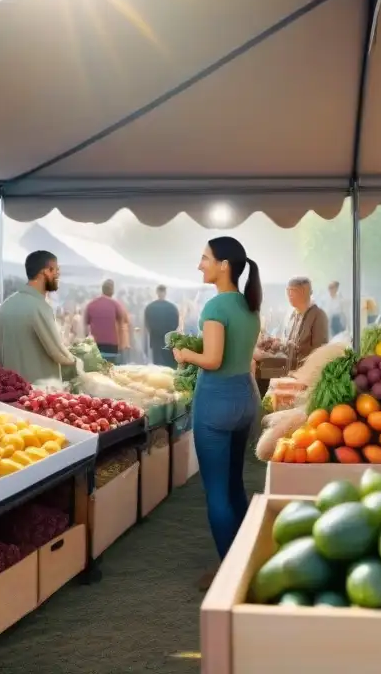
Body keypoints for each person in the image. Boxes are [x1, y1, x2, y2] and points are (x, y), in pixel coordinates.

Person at [172, 236, 261, 581]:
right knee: (235, 484)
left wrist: (184, 355)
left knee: (217, 493)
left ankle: (230, 572)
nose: (200, 264)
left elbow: (212, 359)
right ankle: (245, 557)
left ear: (224, 265)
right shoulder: (248, 306)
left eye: (205, 258)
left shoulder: (215, 307)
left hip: (216, 403)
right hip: (244, 400)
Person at [0, 251, 79, 384]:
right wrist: (77, 362)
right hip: (38, 394)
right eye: (56, 270)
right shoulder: (39, 307)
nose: (58, 274)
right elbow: (58, 352)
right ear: (45, 271)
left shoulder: (5, 306)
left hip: (10, 389)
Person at [84, 279, 128, 363]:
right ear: (112, 290)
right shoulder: (116, 305)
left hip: (95, 344)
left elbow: (86, 327)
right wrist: (122, 345)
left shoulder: (91, 304)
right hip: (112, 344)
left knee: (97, 370)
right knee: (111, 370)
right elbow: (121, 326)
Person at [144, 284, 180, 367]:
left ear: (157, 292)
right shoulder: (172, 307)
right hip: (168, 340)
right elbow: (176, 324)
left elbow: (147, 324)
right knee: (169, 366)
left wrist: (154, 332)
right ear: (165, 293)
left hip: (155, 340)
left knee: (158, 366)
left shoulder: (150, 307)